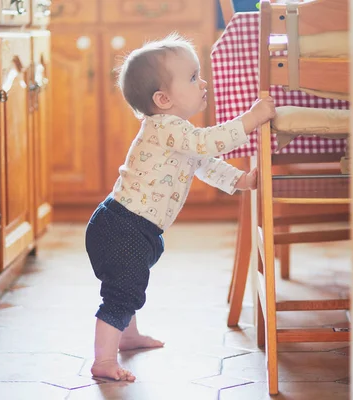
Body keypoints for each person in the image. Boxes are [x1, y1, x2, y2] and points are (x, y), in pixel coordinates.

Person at [85, 32, 276, 382]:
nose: (202, 83)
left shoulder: (176, 132)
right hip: (123, 226)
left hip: (130, 226)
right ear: (163, 99)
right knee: (121, 291)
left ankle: (128, 335)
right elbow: (208, 142)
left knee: (130, 285)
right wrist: (251, 118)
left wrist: (238, 180)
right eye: (192, 77)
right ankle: (103, 360)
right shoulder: (165, 128)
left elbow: (202, 160)